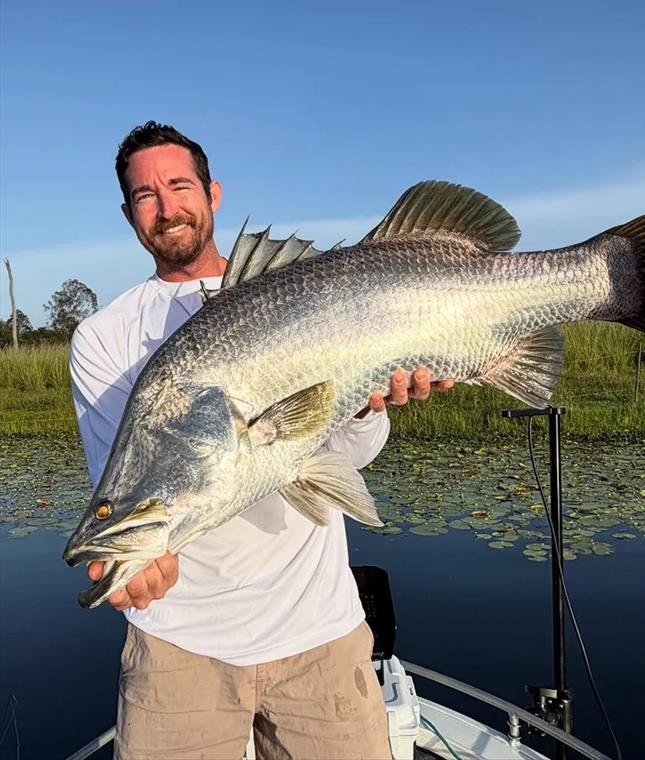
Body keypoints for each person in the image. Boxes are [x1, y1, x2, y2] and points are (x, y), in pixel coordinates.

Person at [69, 121, 454, 760]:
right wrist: (130, 562)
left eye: (179, 185)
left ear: (212, 193)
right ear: (127, 213)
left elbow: (347, 455)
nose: (166, 208)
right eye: (145, 195)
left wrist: (365, 409)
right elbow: (128, 486)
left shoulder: (302, 292)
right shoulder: (103, 338)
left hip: (320, 634)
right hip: (177, 646)